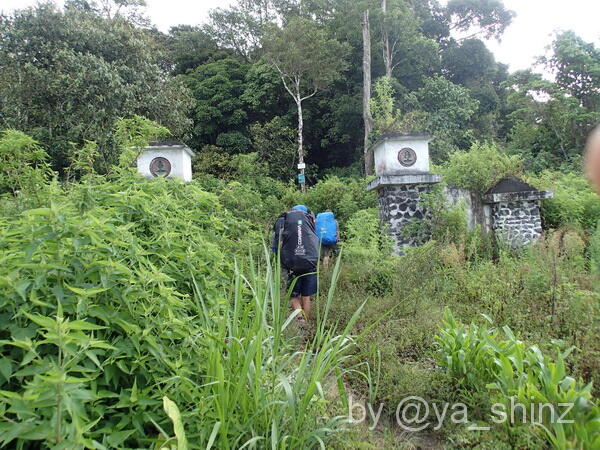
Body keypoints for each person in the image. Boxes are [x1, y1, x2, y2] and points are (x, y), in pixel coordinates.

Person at [272, 205, 319, 323]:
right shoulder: (309, 222)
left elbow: (277, 246)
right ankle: (306, 324)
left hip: (292, 264)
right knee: (306, 296)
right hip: (309, 263)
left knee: (293, 296)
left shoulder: (285, 221)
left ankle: (299, 317)